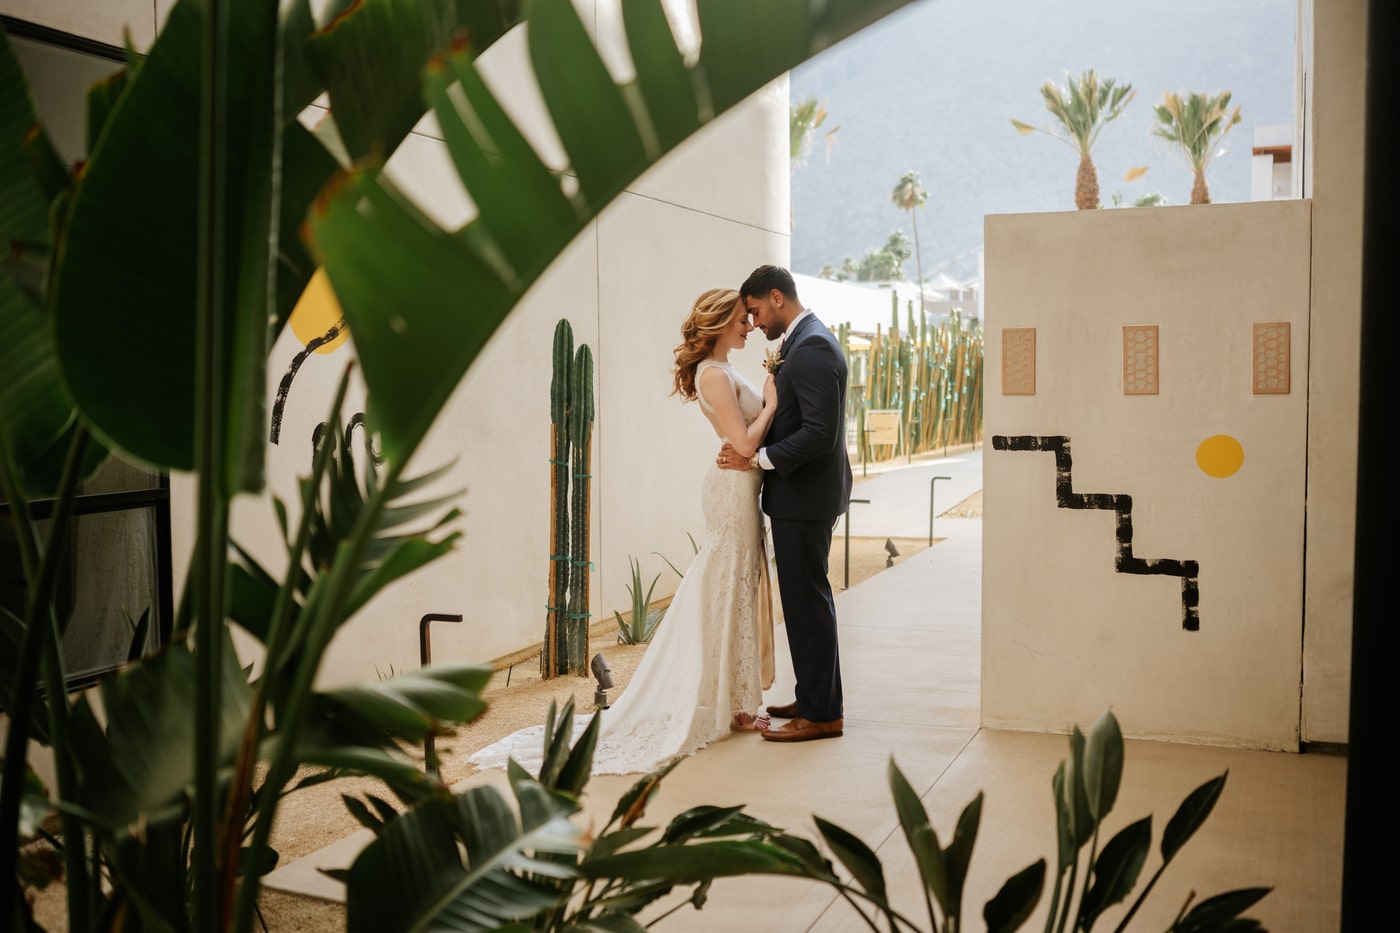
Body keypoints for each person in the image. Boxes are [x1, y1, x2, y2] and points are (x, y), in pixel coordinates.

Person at [468, 288, 779, 775]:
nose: (749, 326)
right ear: (720, 323)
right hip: (730, 490)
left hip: (742, 489)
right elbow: (740, 440)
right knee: (727, 588)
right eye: (742, 318)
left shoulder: (725, 371)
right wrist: (774, 404)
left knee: (735, 587)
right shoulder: (715, 376)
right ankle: (734, 704)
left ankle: (737, 700)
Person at [718, 264, 851, 742]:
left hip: (805, 497)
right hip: (805, 497)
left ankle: (821, 715)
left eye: (754, 312)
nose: (754, 325)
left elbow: (819, 432)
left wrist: (762, 458)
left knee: (807, 603)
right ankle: (816, 696)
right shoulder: (803, 341)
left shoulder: (811, 346)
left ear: (776, 297)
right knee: (805, 602)